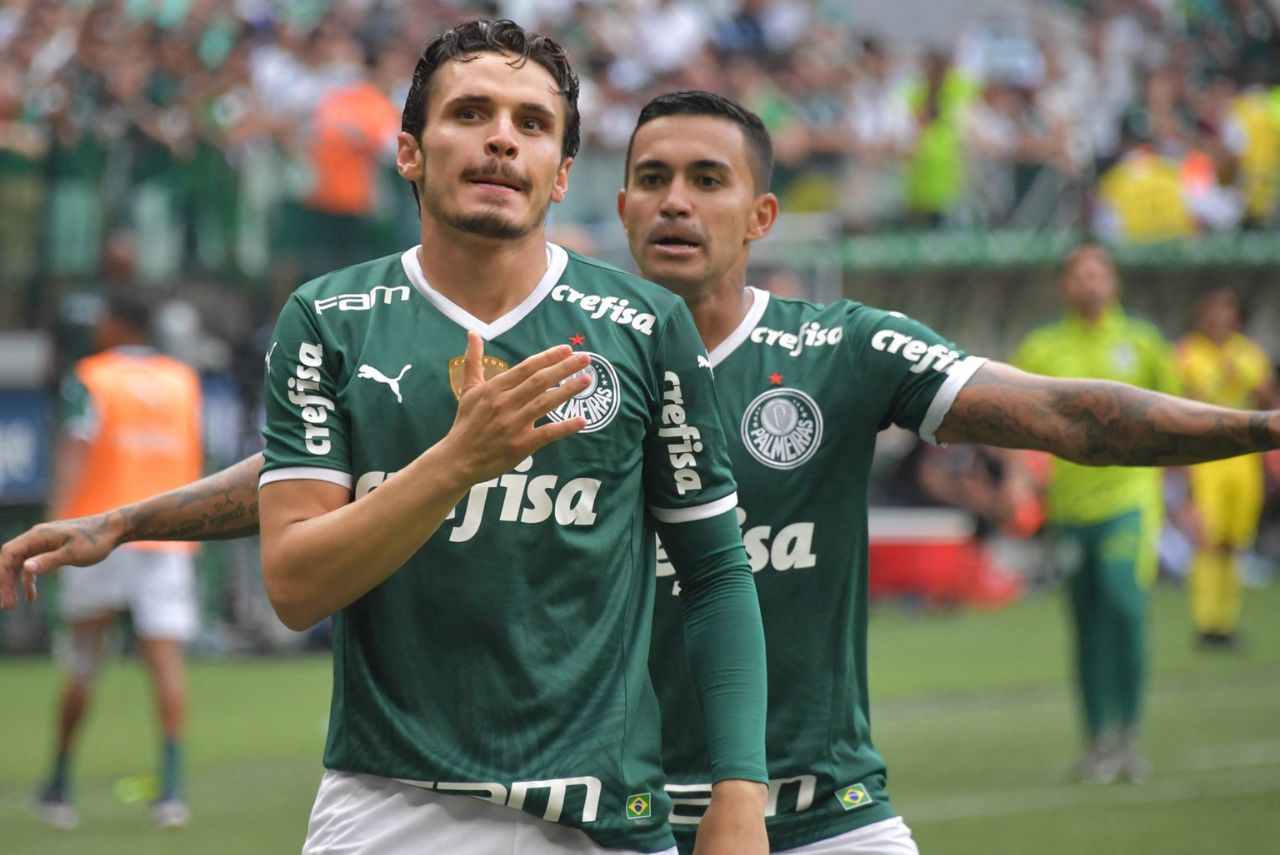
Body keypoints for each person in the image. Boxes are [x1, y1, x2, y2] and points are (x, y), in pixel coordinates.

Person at [7, 88, 1280, 853]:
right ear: (609, 205)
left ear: (759, 217)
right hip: (622, 814)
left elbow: (1065, 412)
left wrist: (1258, 428)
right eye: (650, 179)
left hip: (819, 795)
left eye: (707, 181)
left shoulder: (837, 346)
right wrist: (134, 516)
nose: (674, 202)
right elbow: (316, 483)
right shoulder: (552, 351)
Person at [1010, 244, 1181, 784]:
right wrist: (1020, 476)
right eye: (1080, 274)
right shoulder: (1042, 347)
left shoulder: (1143, 342)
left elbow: (1178, 414)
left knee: (1123, 601)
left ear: (1114, 281)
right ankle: (1097, 742)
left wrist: (1187, 492)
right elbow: (1012, 419)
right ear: (1066, 284)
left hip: (1129, 499)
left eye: (1099, 272)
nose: (1091, 282)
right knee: (1084, 623)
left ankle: (1129, 735)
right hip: (1069, 507)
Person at [34, 293, 204, 830]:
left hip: (97, 535)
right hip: (166, 539)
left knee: (83, 662)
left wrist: (51, 529)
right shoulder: (183, 381)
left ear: (113, 323)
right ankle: (171, 793)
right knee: (167, 666)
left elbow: (74, 451)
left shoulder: (90, 375)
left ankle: (59, 787)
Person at [1174, 286, 1277, 647]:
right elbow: (1181, 404)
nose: (1219, 319)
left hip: (1243, 460)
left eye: (1226, 312)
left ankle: (1227, 622)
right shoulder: (1188, 354)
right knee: (1208, 540)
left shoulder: (1249, 355)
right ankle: (1206, 623)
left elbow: (1267, 401)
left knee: (1235, 542)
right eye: (1213, 312)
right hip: (1206, 458)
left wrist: (1247, 380)